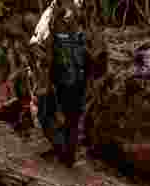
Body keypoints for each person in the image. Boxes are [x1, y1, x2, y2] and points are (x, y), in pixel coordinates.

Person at [32, 0, 106, 167]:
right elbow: (96, 48)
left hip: (59, 75)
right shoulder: (82, 12)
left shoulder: (53, 13)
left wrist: (42, 77)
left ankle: (63, 151)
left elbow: (38, 45)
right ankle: (68, 156)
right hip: (78, 75)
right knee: (71, 118)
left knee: (45, 115)